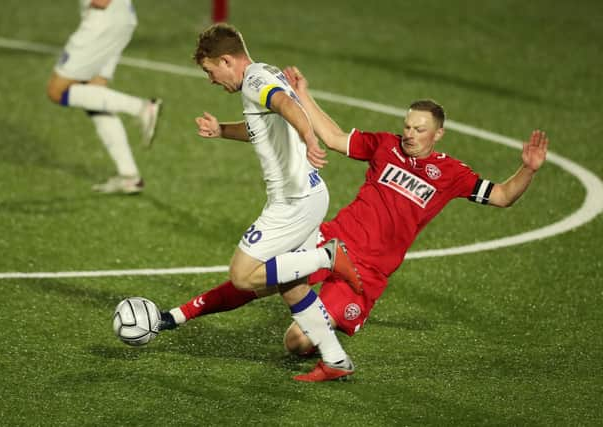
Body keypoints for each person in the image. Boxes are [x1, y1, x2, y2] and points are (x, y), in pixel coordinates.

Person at [158, 65, 549, 382]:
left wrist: (527, 171)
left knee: (295, 342)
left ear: (438, 134)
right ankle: (178, 315)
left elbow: (501, 196)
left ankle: (327, 337)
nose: (410, 134)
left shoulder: (451, 173)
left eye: (419, 130)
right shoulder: (385, 145)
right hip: (335, 237)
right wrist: (304, 95)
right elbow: (332, 137)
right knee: (259, 275)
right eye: (408, 126)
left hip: (369, 272)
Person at [160, 23, 364, 381]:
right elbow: (263, 127)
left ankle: (327, 256)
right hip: (310, 194)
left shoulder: (255, 81)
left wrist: (309, 137)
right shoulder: (263, 73)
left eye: (210, 71)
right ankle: (335, 359)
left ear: (226, 60)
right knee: (291, 283)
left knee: (241, 276)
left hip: (292, 203)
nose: (210, 80)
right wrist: (223, 130)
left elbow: (286, 105)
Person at [46, 0, 162, 194]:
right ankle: (129, 176)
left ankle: (142, 108)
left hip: (101, 22)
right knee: (94, 94)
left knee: (57, 91)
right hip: (121, 19)